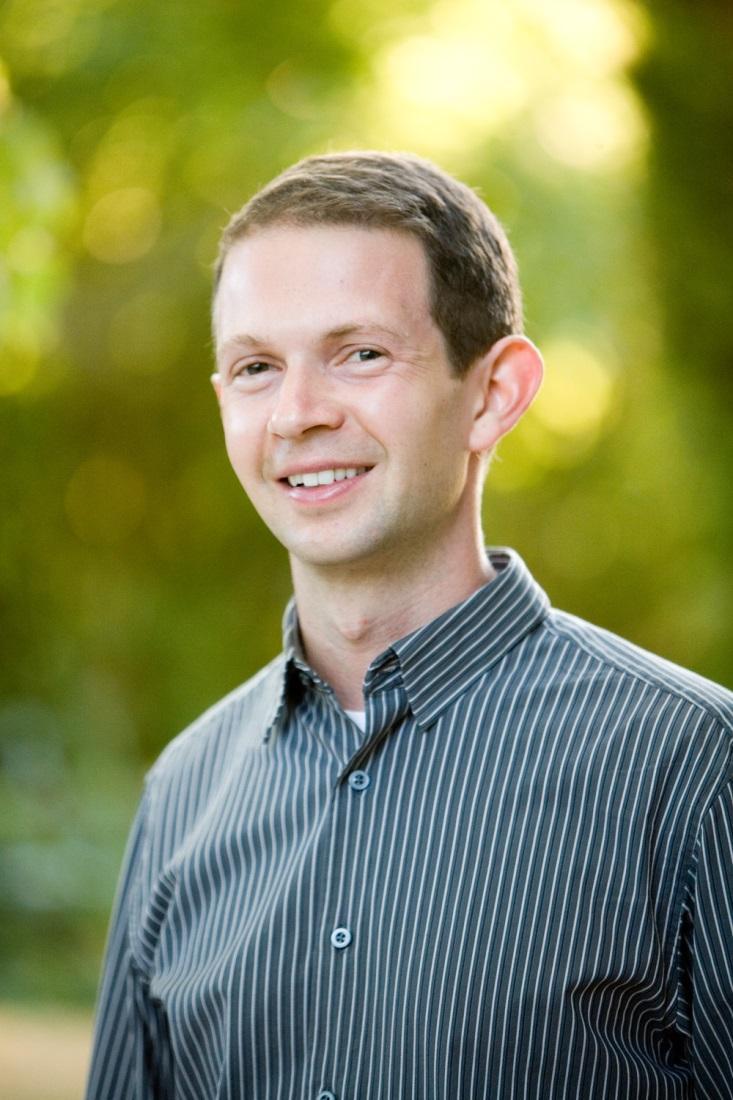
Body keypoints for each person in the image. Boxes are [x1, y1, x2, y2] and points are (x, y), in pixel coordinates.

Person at [85, 152, 733, 1100]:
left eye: (360, 353)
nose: (299, 415)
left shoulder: (695, 767)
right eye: (257, 367)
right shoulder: (185, 790)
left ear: (494, 393)